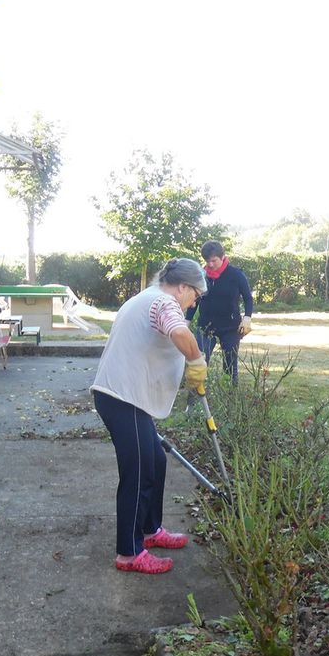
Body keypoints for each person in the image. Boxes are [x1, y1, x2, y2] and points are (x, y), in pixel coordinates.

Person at [91, 258, 209, 575]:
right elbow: (178, 332)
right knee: (139, 471)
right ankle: (129, 553)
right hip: (121, 397)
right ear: (182, 286)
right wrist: (196, 360)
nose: (193, 302)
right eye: (195, 294)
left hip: (124, 395)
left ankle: (149, 530)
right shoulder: (162, 302)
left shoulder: (147, 298)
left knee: (154, 460)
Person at [186, 240, 254, 386]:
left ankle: (230, 399)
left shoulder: (236, 275)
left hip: (230, 327)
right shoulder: (202, 276)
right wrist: (187, 321)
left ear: (222, 257)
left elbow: (248, 298)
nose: (210, 265)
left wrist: (247, 318)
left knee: (230, 363)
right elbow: (194, 300)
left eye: (214, 260)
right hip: (206, 326)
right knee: (199, 362)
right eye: (207, 261)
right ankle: (193, 401)